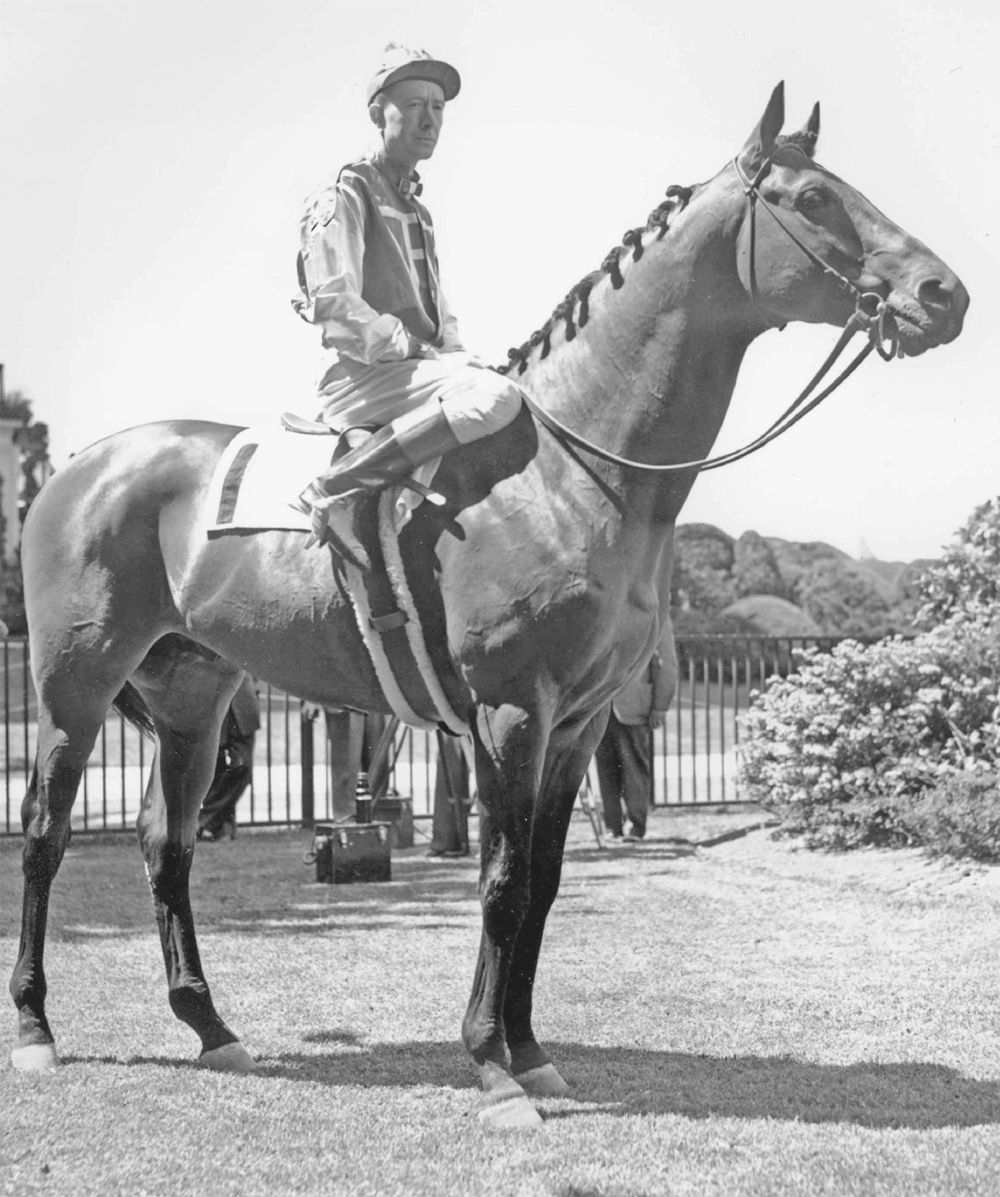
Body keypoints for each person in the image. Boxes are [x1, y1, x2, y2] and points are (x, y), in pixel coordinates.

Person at [292, 43, 526, 569]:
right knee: (497, 397)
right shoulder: (341, 195)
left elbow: (440, 316)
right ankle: (335, 488)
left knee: (503, 380)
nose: (430, 119)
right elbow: (334, 306)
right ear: (379, 114)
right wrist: (419, 349)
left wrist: (456, 356)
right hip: (358, 377)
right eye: (415, 104)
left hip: (411, 370)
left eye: (439, 108)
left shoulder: (418, 210)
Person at [594, 633, 675, 842]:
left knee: (634, 768)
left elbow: (667, 663)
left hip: (634, 705)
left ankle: (635, 827)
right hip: (599, 706)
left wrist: (660, 706)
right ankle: (612, 827)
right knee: (605, 770)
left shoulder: (656, 606)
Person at [197, 676, 260, 841]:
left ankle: (203, 822)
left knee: (243, 768)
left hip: (242, 703)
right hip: (211, 702)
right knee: (213, 770)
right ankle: (221, 828)